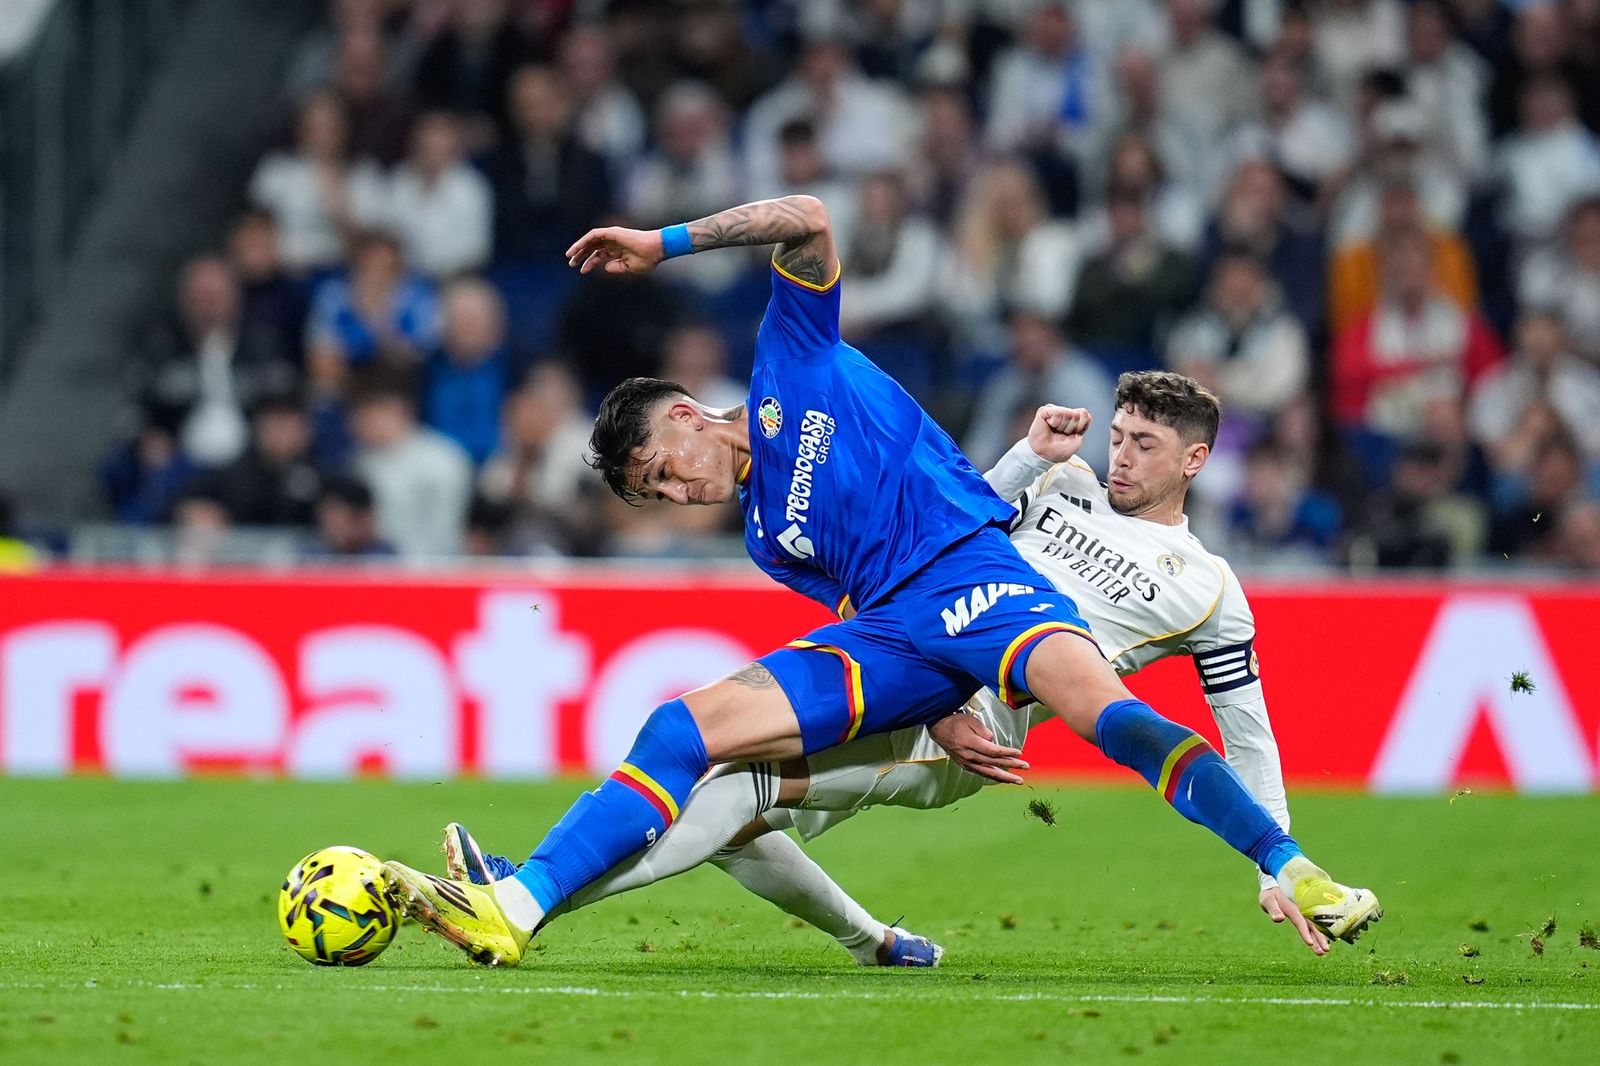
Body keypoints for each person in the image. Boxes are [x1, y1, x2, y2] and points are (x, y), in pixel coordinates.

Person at [381, 195, 1379, 967]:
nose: (675, 493)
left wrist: (661, 243)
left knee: (1099, 714)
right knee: (681, 732)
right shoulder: (770, 536)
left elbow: (808, 220)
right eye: (654, 495)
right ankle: (513, 908)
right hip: (899, 632)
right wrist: (939, 706)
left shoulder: (789, 358)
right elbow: (855, 606)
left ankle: (1288, 862)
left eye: (660, 468)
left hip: (977, 575)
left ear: (686, 415)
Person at [441, 373, 1346, 963]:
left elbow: (1247, 732)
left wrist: (1276, 860)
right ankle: (871, 942)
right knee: (724, 786)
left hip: (983, 719)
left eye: (1144, 445)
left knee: (732, 791)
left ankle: (527, 893)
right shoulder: (1062, 486)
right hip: (922, 641)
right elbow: (943, 525)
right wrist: (1032, 452)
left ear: (1194, 461)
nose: (1119, 453)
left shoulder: (1211, 589)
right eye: (1118, 434)